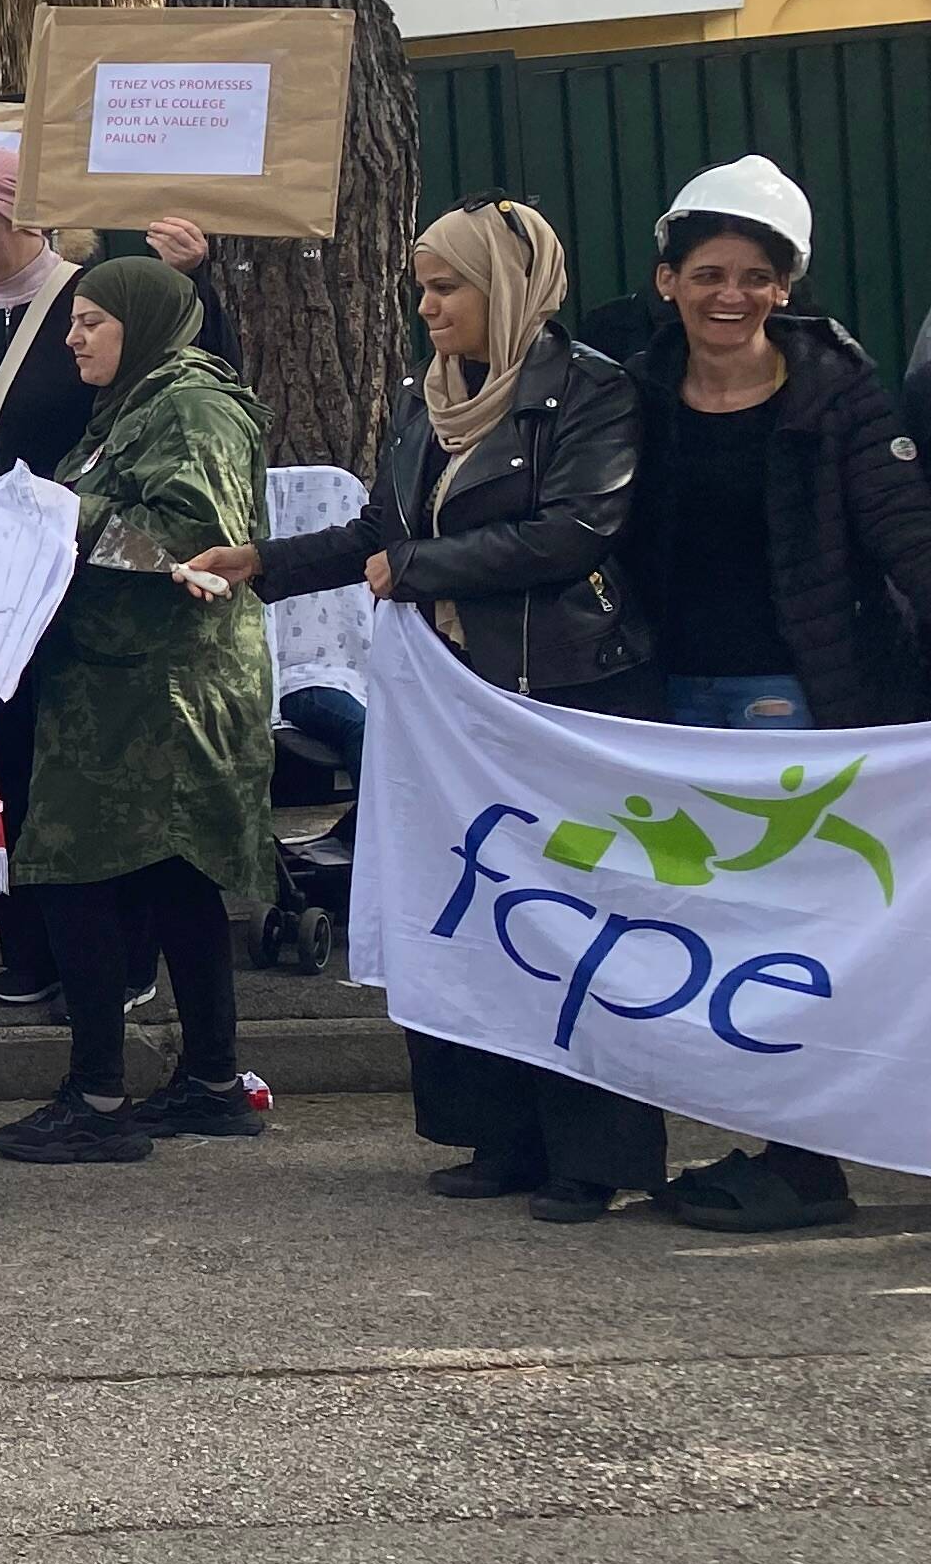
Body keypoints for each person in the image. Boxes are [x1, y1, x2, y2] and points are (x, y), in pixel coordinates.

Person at [193, 198, 664, 1222]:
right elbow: (381, 523)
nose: (426, 305)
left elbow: (572, 531)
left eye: (446, 286)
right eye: (422, 285)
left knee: (567, 924)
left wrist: (411, 567)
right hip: (450, 710)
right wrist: (267, 563)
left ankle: (592, 1153)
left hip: (562, 695)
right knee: (468, 916)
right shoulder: (430, 395)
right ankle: (497, 1137)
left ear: (509, 290)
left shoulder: (589, 390)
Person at [616, 156, 931, 1235]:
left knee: (797, 932)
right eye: (708, 272)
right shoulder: (636, 386)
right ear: (668, 280)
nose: (731, 295)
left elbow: (902, 530)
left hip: (794, 705)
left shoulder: (838, 391)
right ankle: (764, 1135)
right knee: (707, 926)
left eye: (757, 275)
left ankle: (806, 1163)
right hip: (667, 706)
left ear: (785, 288)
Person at [0, 149, 222, 1013]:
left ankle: (119, 958)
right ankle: (34, 947)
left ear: (28, 214)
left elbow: (166, 383)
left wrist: (199, 278)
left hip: (69, 578)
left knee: (70, 765)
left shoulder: (95, 297)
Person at [0, 259, 276, 1165]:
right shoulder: (137, 404)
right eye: (71, 322)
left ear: (144, 324)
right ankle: (212, 1083)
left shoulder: (190, 406)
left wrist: (61, 513)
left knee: (78, 871)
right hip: (121, 679)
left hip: (164, 689)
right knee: (169, 878)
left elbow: (194, 541)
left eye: (89, 321)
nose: (71, 338)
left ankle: (99, 1097)